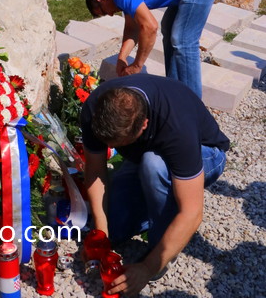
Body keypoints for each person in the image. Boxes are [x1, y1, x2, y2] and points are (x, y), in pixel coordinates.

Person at [81, 74, 229, 297]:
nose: (110, 148)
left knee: (154, 166)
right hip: (144, 157)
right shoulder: (95, 109)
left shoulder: (175, 127)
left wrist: (148, 268)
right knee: (116, 227)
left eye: (118, 145)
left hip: (206, 152)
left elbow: (192, 212)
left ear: (144, 125)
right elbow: (95, 170)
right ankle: (152, 210)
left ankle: (162, 247)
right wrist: (101, 232)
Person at [85, 0, 222, 97]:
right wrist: (122, 58)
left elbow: (150, 27)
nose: (111, 14)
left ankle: (193, 107)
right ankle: (175, 91)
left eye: (105, 12)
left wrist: (137, 66)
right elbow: (132, 28)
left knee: (183, 39)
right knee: (169, 29)